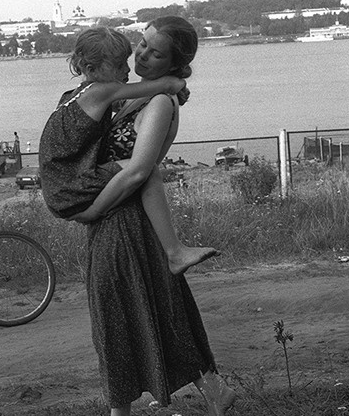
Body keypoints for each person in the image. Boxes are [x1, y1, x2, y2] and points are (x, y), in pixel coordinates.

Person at [70, 16, 236, 416]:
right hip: (124, 217)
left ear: (174, 63)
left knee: (114, 318)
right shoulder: (139, 95)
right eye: (142, 44)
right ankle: (215, 390)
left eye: (156, 52)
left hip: (125, 220)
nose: (142, 55)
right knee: (161, 310)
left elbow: (140, 171)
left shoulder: (159, 104)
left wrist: (92, 210)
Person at [39, 26, 218, 276]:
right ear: (92, 69)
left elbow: (128, 102)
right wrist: (176, 85)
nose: (127, 68)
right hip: (71, 188)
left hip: (58, 189)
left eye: (126, 60)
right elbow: (165, 84)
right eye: (118, 64)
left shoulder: (76, 95)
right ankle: (175, 251)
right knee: (148, 171)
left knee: (142, 169)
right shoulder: (103, 91)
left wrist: (172, 91)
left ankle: (175, 251)